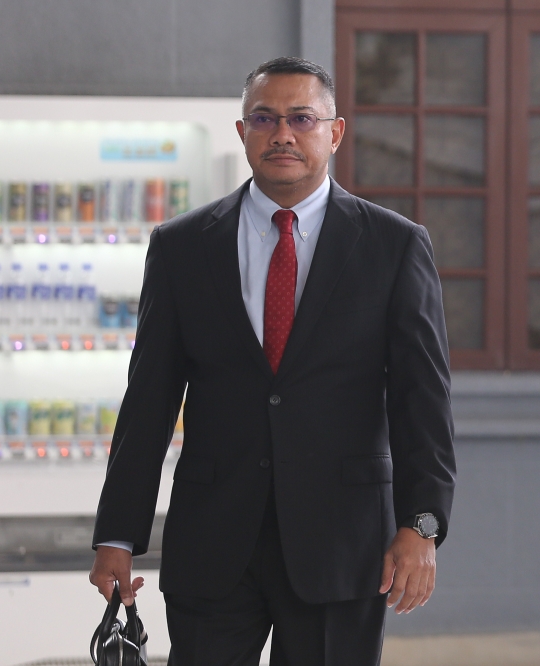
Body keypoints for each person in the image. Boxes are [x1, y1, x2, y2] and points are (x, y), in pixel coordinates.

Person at [88, 56, 456, 666]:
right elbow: (149, 400)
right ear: (242, 133)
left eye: (301, 118)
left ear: (333, 133)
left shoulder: (394, 246)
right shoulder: (182, 246)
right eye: (264, 118)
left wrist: (421, 526)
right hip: (213, 541)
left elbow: (423, 400)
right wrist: (117, 535)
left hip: (341, 544)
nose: (282, 133)